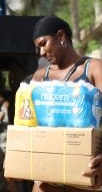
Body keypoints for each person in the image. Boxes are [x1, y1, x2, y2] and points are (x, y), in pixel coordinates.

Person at [30, 15, 102, 192]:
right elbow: (27, 122)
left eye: (43, 44)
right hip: (46, 176)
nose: (41, 53)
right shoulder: (40, 77)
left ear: (61, 36)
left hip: (86, 171)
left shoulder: (94, 69)